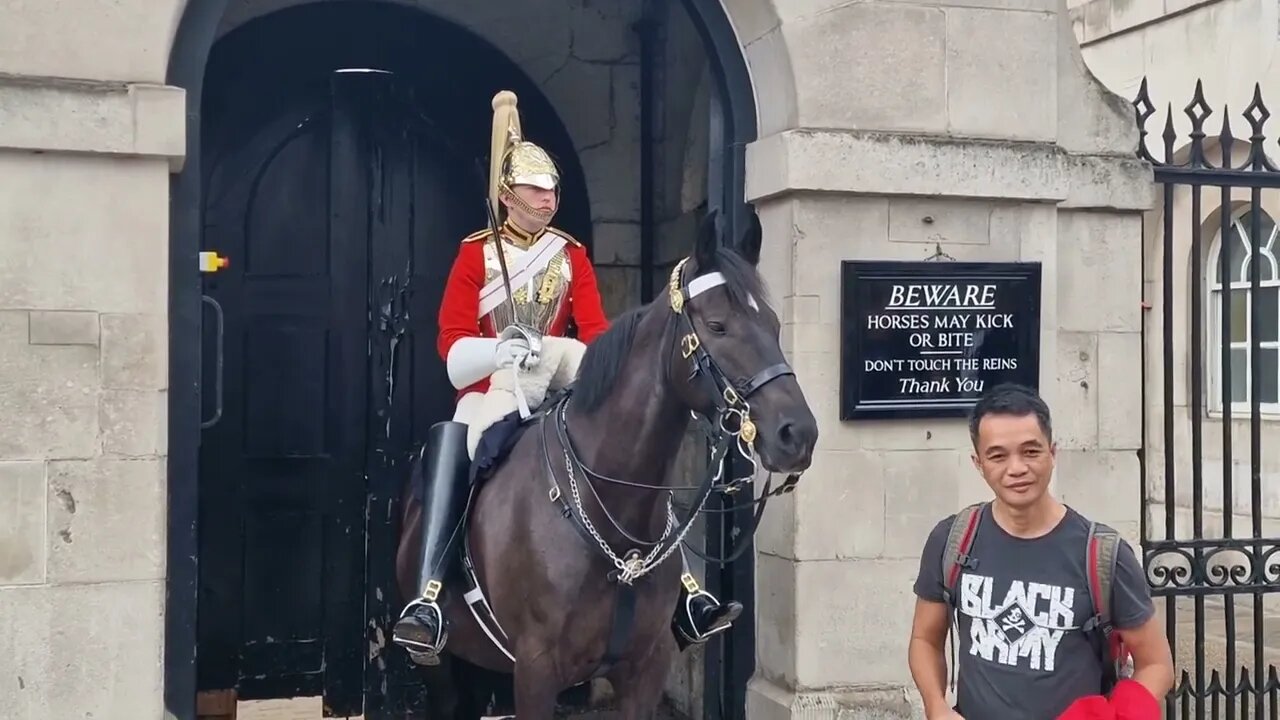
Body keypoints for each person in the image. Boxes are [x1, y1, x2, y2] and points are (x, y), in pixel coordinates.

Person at [391, 90, 741, 666]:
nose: (548, 199)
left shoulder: (569, 255)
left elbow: (597, 332)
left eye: (553, 190)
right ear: (507, 196)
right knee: (462, 447)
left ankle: (686, 593)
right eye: (535, 190)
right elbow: (451, 345)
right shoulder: (476, 255)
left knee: (631, 461)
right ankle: (430, 599)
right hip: (491, 392)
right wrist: (501, 347)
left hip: (559, 385)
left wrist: (561, 355)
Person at [908, 383, 1173, 719]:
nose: (1016, 468)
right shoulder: (952, 539)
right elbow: (925, 640)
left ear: (1053, 453)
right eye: (998, 455)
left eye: (1031, 451)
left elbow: (1157, 665)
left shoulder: (1103, 554)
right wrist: (936, 706)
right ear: (979, 463)